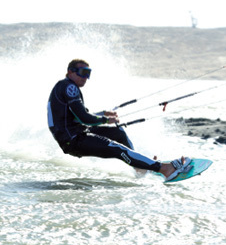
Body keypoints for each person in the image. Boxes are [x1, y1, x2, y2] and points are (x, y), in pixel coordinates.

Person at [47, 59, 191, 180]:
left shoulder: (65, 86)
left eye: (88, 73)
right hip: (73, 140)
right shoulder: (69, 87)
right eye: (82, 73)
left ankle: (140, 167)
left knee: (118, 133)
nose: (85, 77)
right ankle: (164, 169)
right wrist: (104, 120)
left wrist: (103, 113)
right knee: (117, 148)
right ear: (70, 72)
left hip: (75, 135)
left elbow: (75, 115)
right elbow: (84, 118)